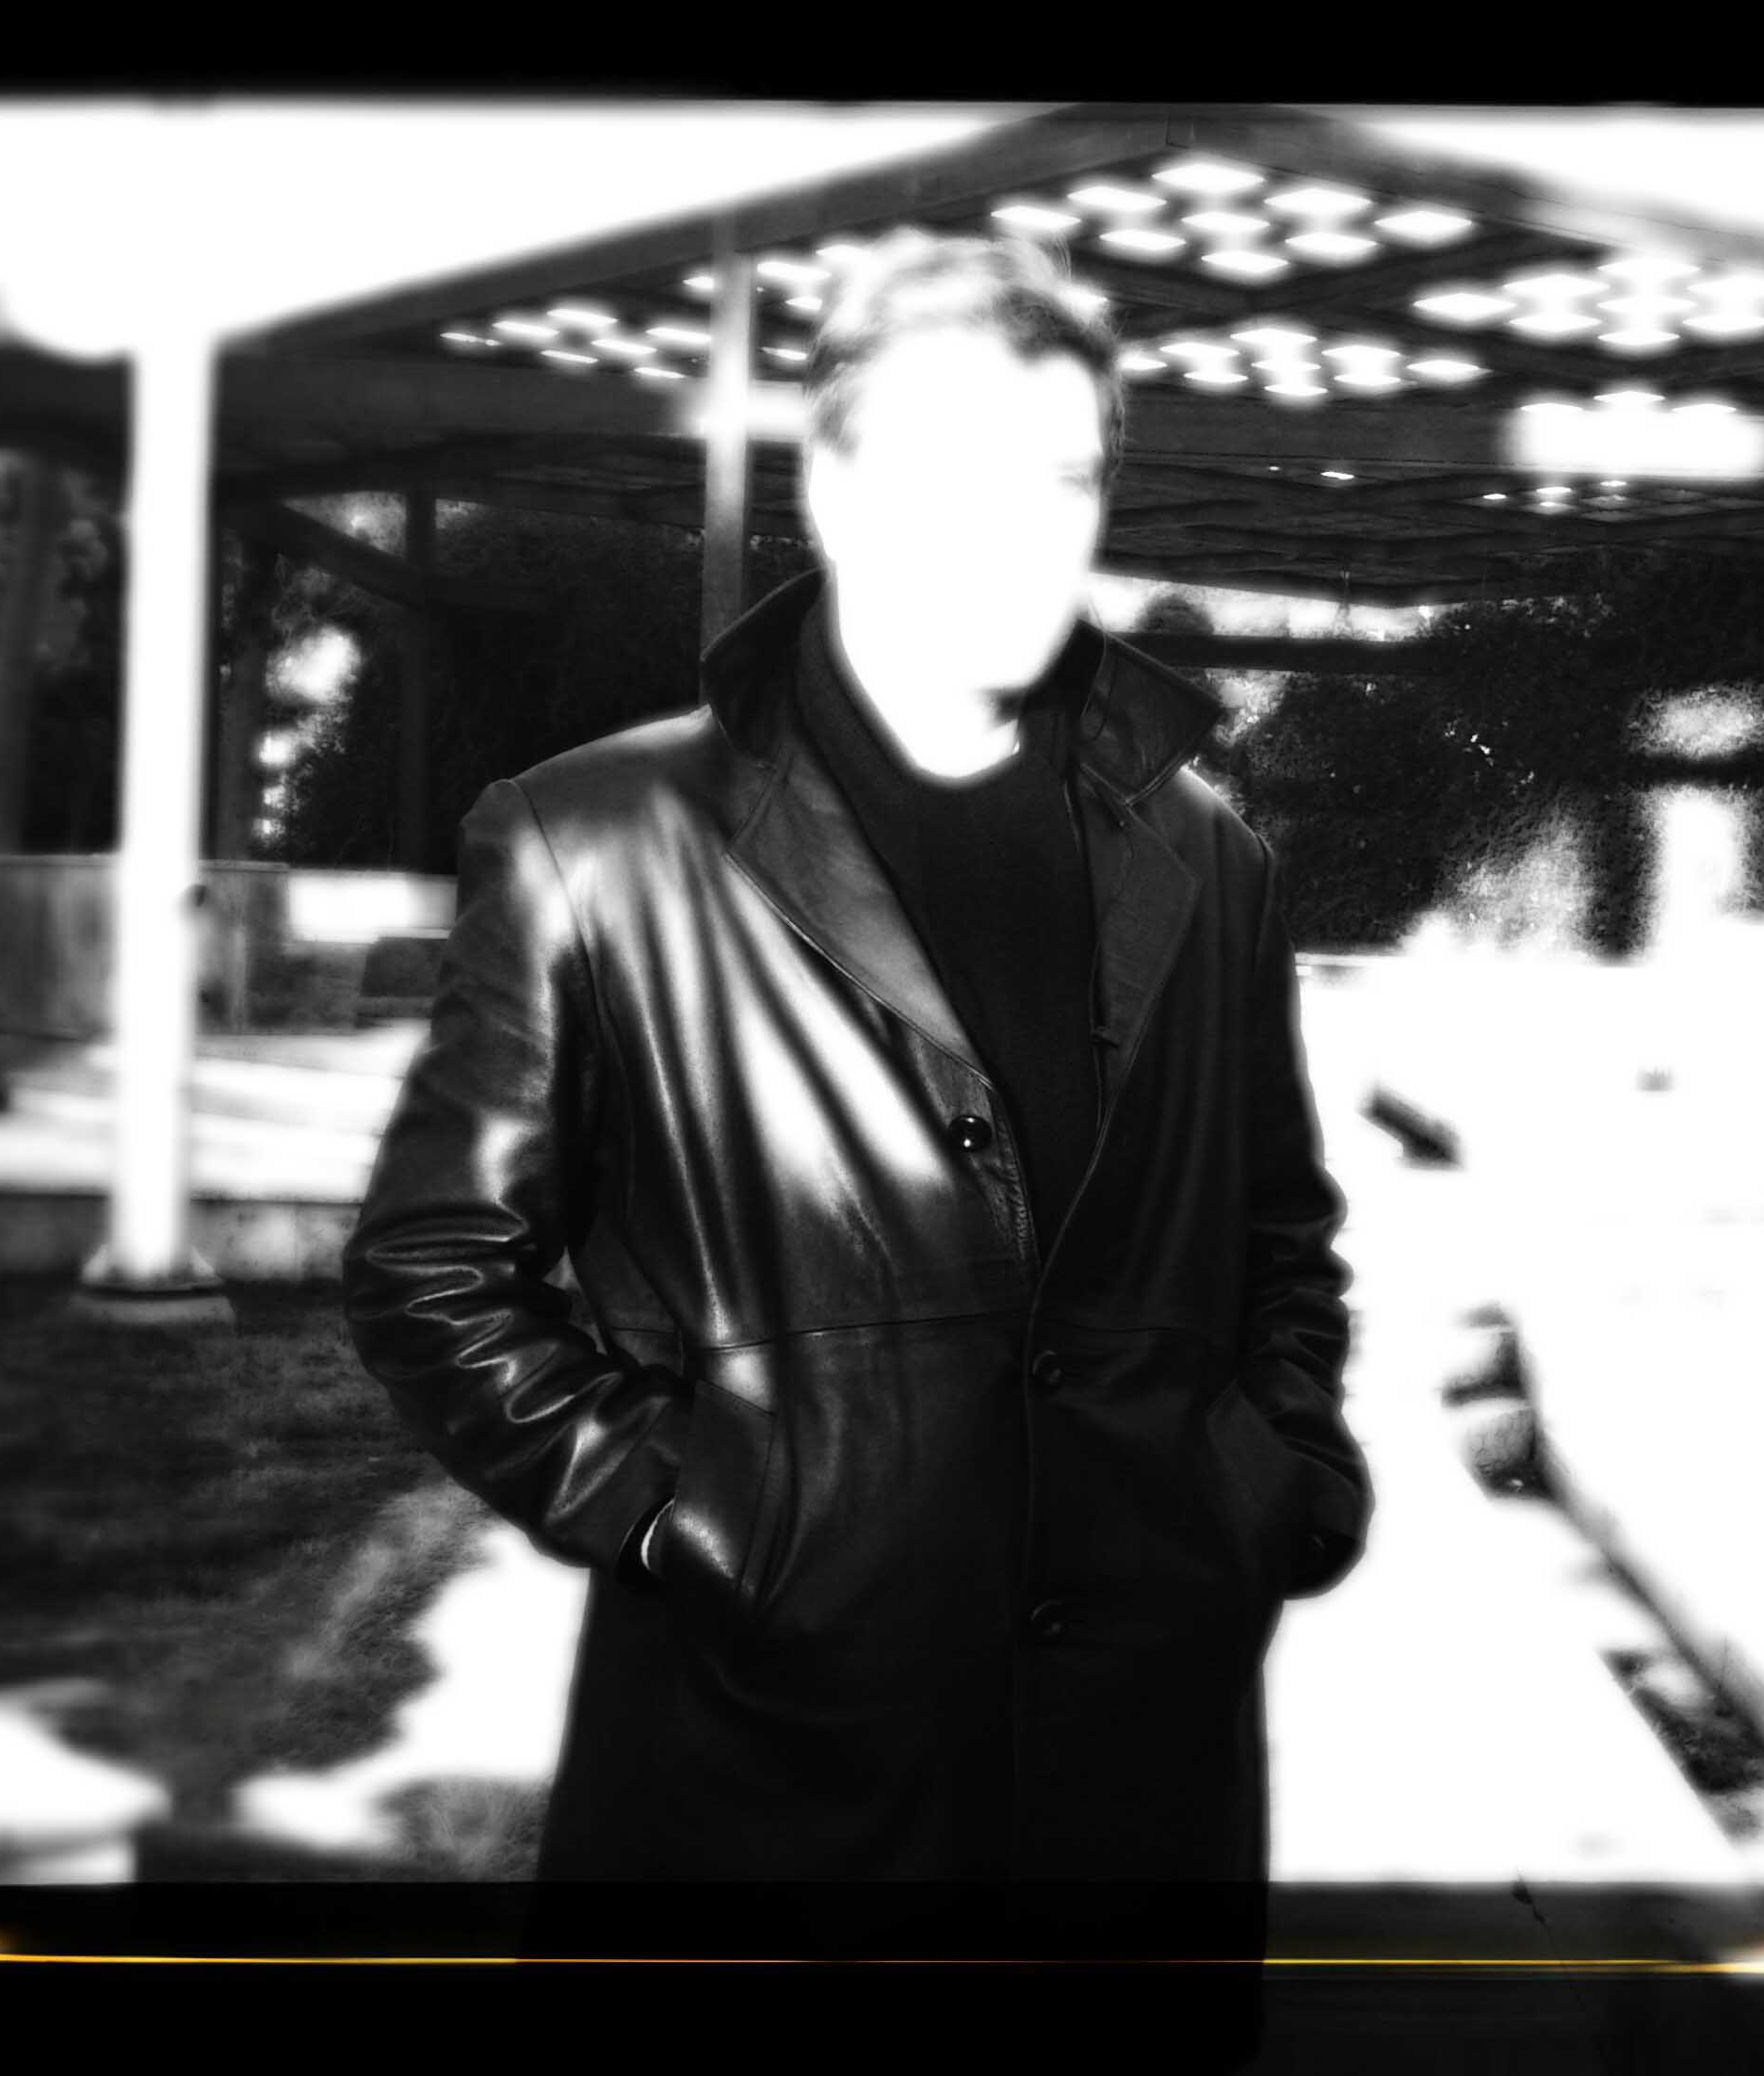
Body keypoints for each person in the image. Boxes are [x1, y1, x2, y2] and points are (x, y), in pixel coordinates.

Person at [342, 232, 1371, 2059]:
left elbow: (1279, 1239)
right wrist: (687, 1512)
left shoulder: (1212, 856)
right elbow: (434, 1270)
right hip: (766, 1786)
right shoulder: (594, 844)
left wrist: (1274, 1484)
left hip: (1139, 1793)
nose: (1020, 534)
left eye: (1063, 479)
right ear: (829, 486)